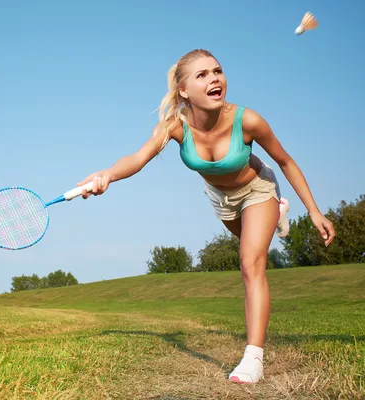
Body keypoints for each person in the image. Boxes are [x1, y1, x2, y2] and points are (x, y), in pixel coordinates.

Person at [76, 49, 336, 384]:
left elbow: (286, 161)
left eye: (218, 71)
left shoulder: (248, 120)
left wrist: (314, 210)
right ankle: (278, 217)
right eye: (202, 75)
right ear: (184, 90)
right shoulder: (175, 126)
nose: (215, 79)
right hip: (220, 199)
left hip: (257, 188)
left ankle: (253, 357)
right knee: (250, 251)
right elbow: (138, 158)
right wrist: (107, 175)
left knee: (250, 262)